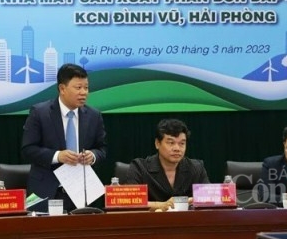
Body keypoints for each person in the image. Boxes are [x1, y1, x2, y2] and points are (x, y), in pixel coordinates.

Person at [21, 63, 108, 211]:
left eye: (86, 88)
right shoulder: (40, 113)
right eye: (78, 88)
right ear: (62, 88)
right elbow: (27, 150)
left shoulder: (94, 116)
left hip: (82, 193)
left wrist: (92, 156)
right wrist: (57, 156)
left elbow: (102, 149)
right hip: (47, 191)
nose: (84, 93)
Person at [123, 118, 209, 211]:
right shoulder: (140, 168)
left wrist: (195, 201)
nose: (177, 148)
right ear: (157, 143)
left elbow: (210, 199)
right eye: (171, 143)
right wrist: (161, 205)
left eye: (182, 143)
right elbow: (130, 202)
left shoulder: (196, 168)